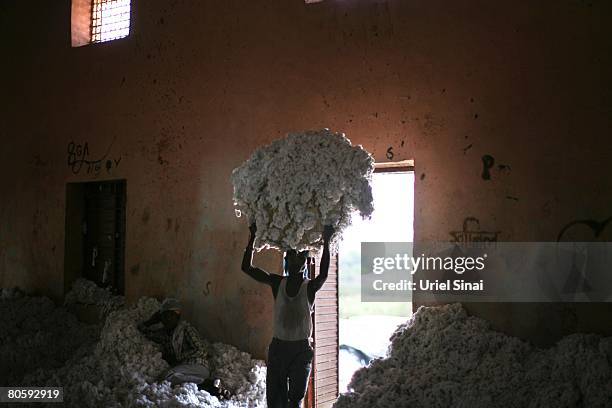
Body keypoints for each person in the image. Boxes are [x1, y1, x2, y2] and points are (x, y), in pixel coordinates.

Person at [242, 223, 335, 408]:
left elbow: (324, 273)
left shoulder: (309, 287)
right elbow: (247, 268)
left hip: (301, 351)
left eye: (300, 257)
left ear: (305, 262)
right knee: (276, 400)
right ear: (286, 259)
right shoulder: (278, 283)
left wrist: (327, 241)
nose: (295, 261)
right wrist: (252, 237)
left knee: (295, 399)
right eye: (291, 256)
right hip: (278, 348)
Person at [137, 298, 230, 399]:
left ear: (178, 317)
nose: (168, 319)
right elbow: (145, 331)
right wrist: (150, 321)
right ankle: (212, 389)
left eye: (171, 315)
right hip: (186, 371)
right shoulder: (164, 334)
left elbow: (201, 350)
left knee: (168, 376)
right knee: (173, 379)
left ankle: (208, 383)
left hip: (198, 366)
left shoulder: (185, 329)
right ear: (161, 318)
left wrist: (179, 358)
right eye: (165, 316)